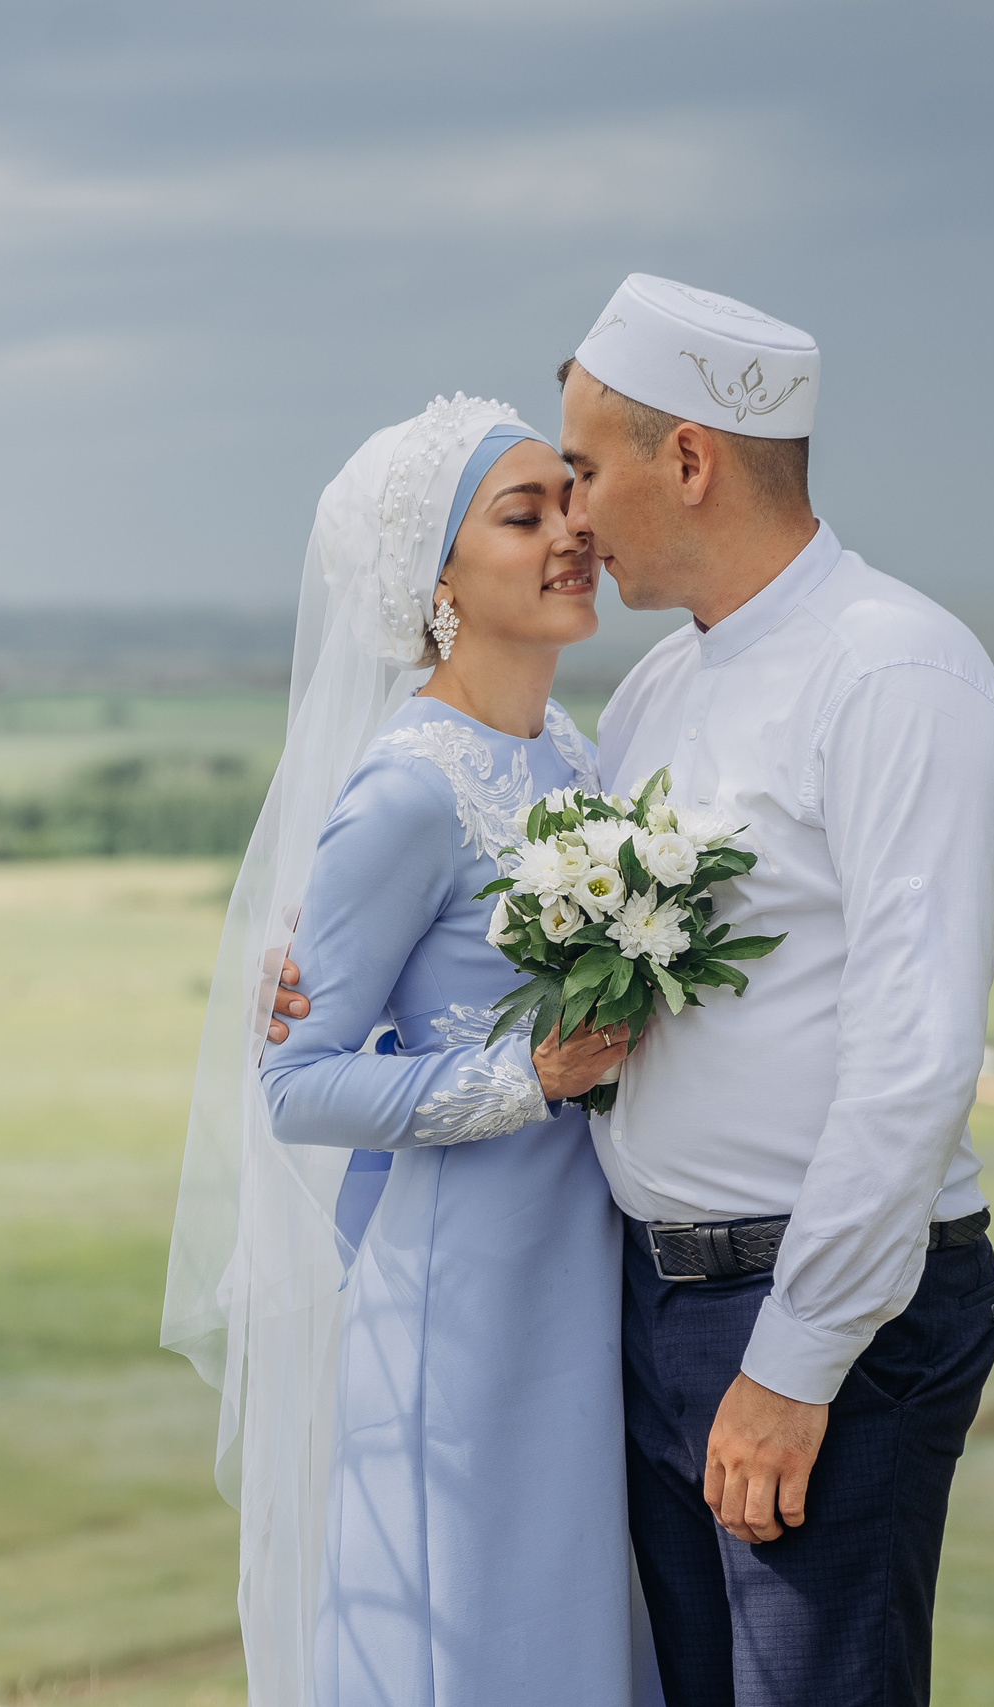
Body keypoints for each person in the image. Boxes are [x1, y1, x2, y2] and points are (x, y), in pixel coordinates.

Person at [270, 278, 994, 1707]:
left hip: (813, 1311)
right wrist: (319, 983)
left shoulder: (897, 672)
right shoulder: (641, 706)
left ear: (688, 463)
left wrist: (795, 1365)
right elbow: (527, 953)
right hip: (639, 1309)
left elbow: (914, 1056)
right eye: (539, 498)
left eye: (588, 473)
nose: (578, 519)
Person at [163, 394, 652, 1707]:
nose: (572, 532)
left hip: (579, 1269)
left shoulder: (572, 753)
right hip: (459, 1295)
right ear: (434, 580)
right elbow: (296, 1079)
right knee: (481, 1638)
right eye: (523, 512)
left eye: (571, 500)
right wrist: (526, 1077)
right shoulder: (406, 787)